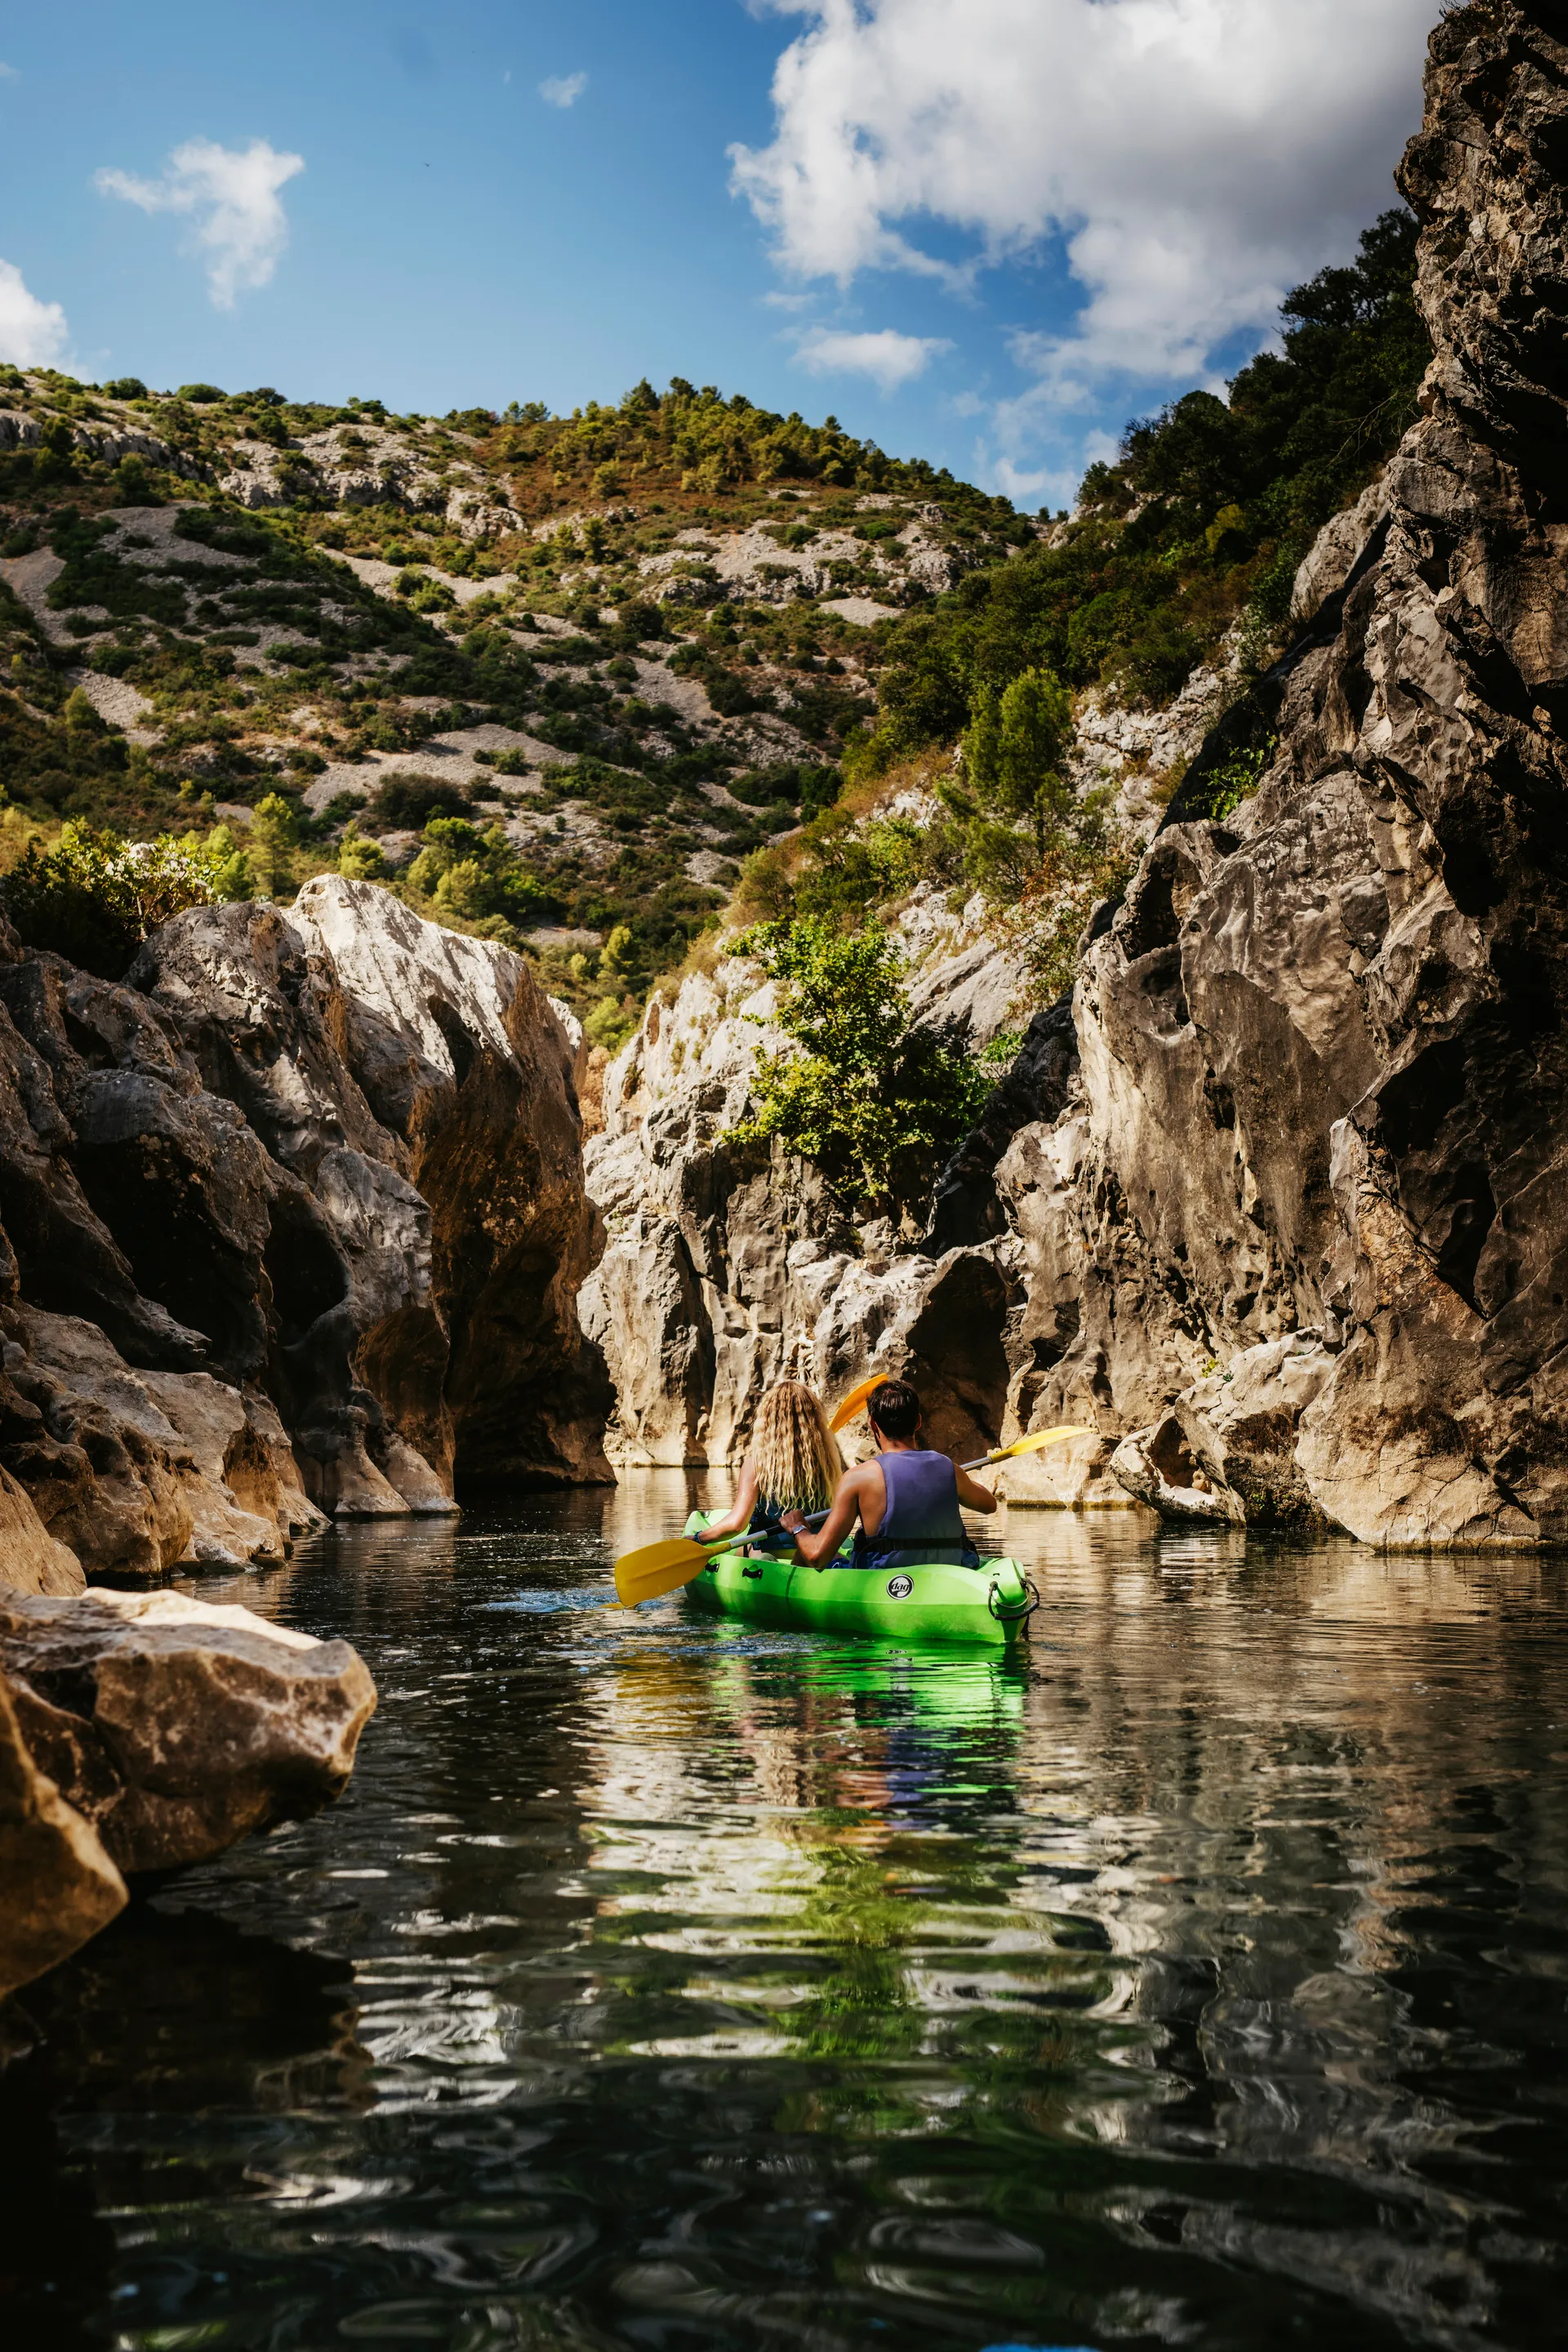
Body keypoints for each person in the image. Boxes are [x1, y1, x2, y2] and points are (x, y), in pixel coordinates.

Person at [785, 1379, 997, 1571]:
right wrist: (952, 1477)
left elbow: (817, 1556)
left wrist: (798, 1528)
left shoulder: (858, 1477)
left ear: (873, 1425)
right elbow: (990, 1505)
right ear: (918, 1422)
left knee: (805, 1552)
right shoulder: (948, 1468)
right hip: (947, 1574)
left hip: (887, 1584)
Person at [702, 1380, 845, 1550]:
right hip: (819, 1549)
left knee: (737, 1549)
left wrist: (698, 1538)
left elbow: (737, 1524)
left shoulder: (757, 1465)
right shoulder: (831, 1463)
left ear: (768, 1421)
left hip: (770, 1553)